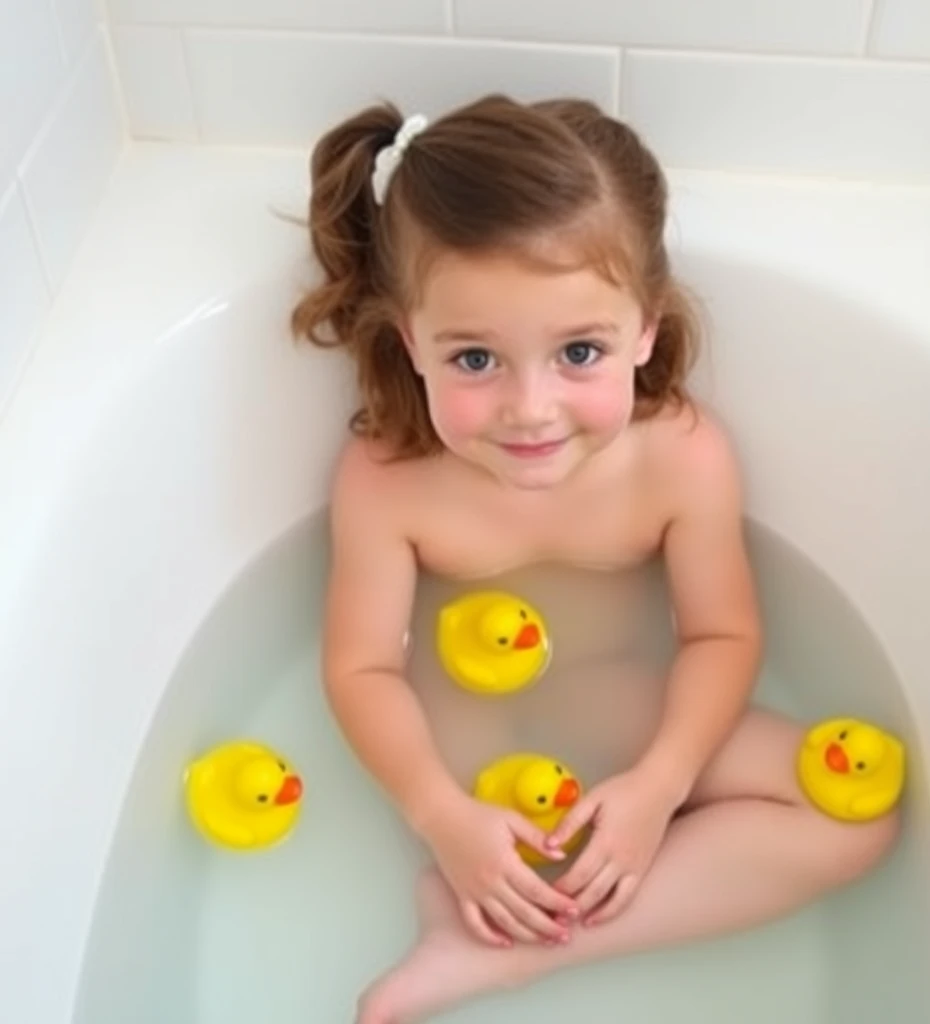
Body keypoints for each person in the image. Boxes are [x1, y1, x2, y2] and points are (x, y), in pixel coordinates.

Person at [291, 94, 899, 1024]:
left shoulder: (679, 457)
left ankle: (513, 957)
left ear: (644, 329)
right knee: (525, 848)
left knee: (856, 815)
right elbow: (363, 666)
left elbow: (722, 632)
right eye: (475, 360)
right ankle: (504, 916)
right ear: (411, 339)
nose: (531, 409)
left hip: (623, 694)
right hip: (471, 728)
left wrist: (661, 783)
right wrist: (440, 815)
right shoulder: (389, 479)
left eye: (579, 351)